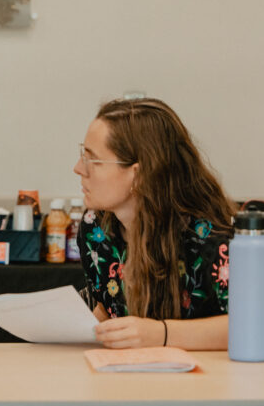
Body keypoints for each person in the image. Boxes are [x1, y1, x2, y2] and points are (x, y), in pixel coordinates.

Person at [75, 97, 238, 350]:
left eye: (94, 161)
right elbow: (108, 309)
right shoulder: (96, 230)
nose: (78, 169)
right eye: (82, 156)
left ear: (138, 175)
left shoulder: (209, 237)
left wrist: (161, 334)